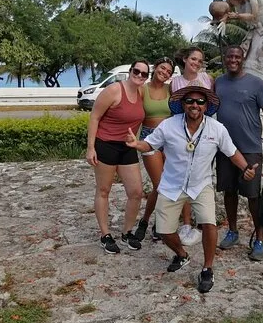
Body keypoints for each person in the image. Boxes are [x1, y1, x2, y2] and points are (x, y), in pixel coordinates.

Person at [126, 85, 258, 293]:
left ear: (206, 106)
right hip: (172, 184)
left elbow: (232, 152)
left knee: (209, 224)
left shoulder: (217, 128)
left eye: (200, 101)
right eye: (190, 101)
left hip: (200, 184)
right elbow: (150, 144)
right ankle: (182, 255)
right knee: (164, 231)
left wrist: (246, 168)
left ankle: (207, 268)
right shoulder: (169, 125)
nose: (195, 105)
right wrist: (136, 144)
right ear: (183, 104)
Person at [214, 45, 263, 261]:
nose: (233, 60)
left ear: (243, 59)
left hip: (250, 149)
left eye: (237, 57)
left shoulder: (256, 84)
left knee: (253, 196)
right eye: (229, 56)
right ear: (225, 59)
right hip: (225, 149)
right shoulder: (218, 83)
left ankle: (259, 238)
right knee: (229, 192)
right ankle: (232, 231)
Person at [86, 60, 148, 254]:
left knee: (136, 192)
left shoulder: (141, 93)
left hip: (127, 147)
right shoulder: (114, 90)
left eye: (144, 74)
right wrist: (90, 148)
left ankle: (127, 232)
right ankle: (105, 234)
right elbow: (94, 117)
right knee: (104, 190)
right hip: (106, 144)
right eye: (136, 71)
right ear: (130, 71)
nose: (139, 75)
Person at [168, 46, 213, 246]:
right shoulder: (175, 82)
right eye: (193, 59)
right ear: (185, 59)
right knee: (183, 176)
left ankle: (203, 222)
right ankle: (186, 223)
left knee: (203, 175)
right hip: (182, 133)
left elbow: (211, 105)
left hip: (205, 132)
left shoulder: (207, 79)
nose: (196, 63)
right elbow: (174, 108)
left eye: (200, 60)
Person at [133, 57, 175, 242]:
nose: (164, 72)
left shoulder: (171, 89)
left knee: (170, 182)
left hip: (170, 138)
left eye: (168, 71)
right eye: (162, 68)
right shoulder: (142, 89)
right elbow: (134, 115)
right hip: (150, 138)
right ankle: (145, 220)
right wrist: (133, 140)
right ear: (155, 67)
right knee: (159, 184)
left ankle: (160, 223)